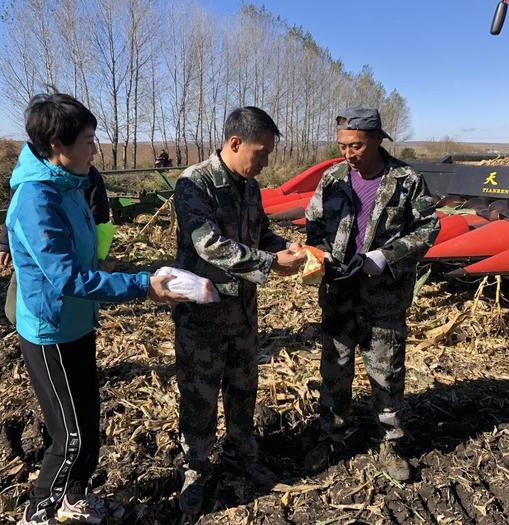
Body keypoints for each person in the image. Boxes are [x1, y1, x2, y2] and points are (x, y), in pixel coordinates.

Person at [5, 93, 186, 525]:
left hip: (78, 322)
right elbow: (66, 277)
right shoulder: (37, 199)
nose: (94, 149)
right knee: (68, 436)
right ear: (55, 146)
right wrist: (143, 286)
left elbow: (84, 257)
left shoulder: (70, 185)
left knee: (87, 423)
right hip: (51, 330)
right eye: (87, 140)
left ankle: (72, 499)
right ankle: (39, 513)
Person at [172, 106, 306, 515]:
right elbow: (208, 244)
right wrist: (269, 264)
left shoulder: (249, 186)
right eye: (261, 153)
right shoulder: (194, 184)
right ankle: (195, 468)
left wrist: (283, 247)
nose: (265, 163)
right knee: (199, 394)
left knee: (243, 386)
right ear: (235, 143)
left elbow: (259, 232)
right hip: (203, 312)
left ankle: (241, 453)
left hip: (243, 309)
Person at [303, 107, 440, 481]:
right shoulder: (331, 178)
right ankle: (331, 437)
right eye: (343, 146)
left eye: (357, 145)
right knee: (334, 371)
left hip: (384, 298)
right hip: (339, 295)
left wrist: (385, 256)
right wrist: (321, 256)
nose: (349, 154)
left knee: (387, 373)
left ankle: (390, 444)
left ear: (379, 138)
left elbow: (428, 228)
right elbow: (313, 223)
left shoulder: (406, 180)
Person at [0, 165, 114, 323]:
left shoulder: (87, 174)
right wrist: (5, 243)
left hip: (75, 247)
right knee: (17, 311)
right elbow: (14, 209)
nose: (92, 151)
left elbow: (99, 216)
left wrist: (97, 255)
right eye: (87, 142)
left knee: (69, 297)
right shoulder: (29, 175)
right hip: (35, 250)